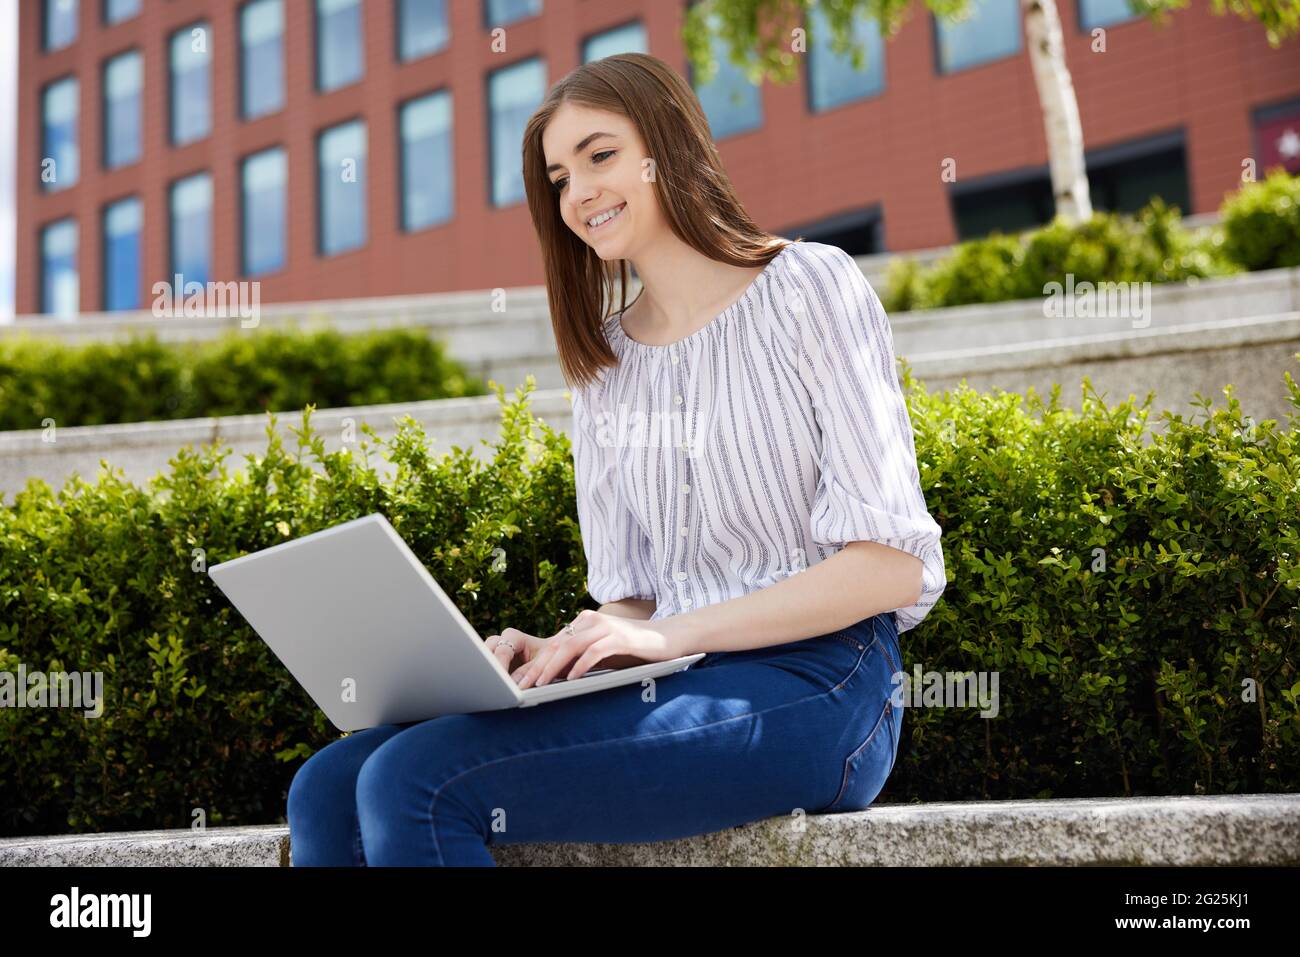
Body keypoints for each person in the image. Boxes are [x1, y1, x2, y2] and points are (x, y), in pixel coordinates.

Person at [287, 52, 946, 867]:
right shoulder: (606, 361)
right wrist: (564, 649)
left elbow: (886, 568)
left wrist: (674, 635)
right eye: (560, 178)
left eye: (599, 156)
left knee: (414, 779)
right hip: (678, 677)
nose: (580, 194)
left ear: (664, 146)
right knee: (325, 786)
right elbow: (633, 601)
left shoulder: (812, 287)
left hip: (828, 684)